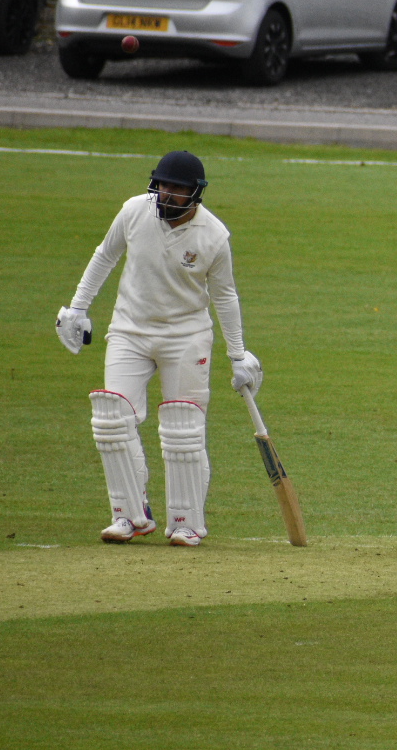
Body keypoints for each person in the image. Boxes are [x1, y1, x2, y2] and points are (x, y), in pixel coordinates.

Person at [55, 150, 262, 547]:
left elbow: (226, 297)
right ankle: (130, 515)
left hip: (186, 337)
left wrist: (238, 354)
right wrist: (78, 308)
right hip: (129, 330)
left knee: (184, 427)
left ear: (195, 193)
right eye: (163, 185)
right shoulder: (135, 210)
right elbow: (105, 255)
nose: (166, 194)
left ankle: (186, 522)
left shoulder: (214, 235)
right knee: (112, 417)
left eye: (177, 188)